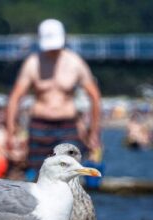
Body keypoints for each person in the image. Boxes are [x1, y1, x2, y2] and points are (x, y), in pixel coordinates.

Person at [6, 18, 101, 180]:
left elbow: (94, 96)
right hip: (40, 126)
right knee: (38, 174)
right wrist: (11, 131)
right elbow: (15, 97)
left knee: (71, 175)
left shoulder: (74, 62)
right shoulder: (33, 63)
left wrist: (94, 131)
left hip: (68, 126)